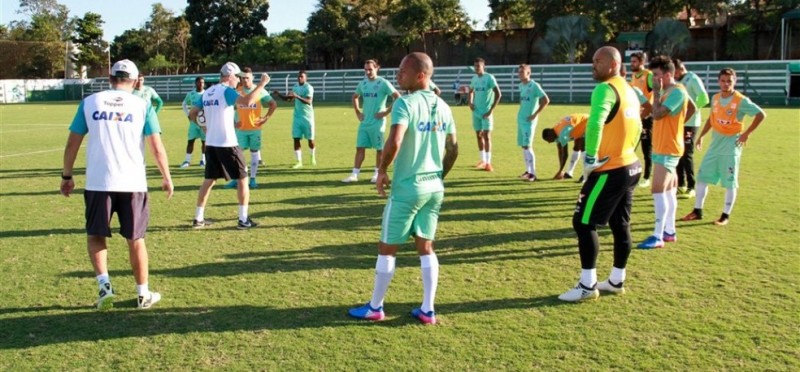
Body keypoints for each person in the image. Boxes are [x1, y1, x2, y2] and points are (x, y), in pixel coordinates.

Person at [348, 52, 458, 324]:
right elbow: (453, 149)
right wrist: (438, 175)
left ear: (420, 75)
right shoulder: (445, 107)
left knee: (386, 248)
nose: (398, 76)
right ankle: (428, 309)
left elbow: (394, 141)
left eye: (403, 71)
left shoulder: (405, 103)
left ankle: (375, 307)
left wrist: (382, 170)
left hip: (408, 188)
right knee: (426, 246)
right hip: (434, 188)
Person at [60, 59, 174, 310]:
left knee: (96, 235)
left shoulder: (90, 102)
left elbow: (72, 143)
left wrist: (67, 176)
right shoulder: (142, 104)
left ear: (110, 79)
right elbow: (156, 146)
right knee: (136, 239)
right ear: (134, 81)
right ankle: (142, 294)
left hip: (98, 182)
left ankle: (105, 287)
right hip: (133, 182)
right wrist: (166, 177)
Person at [558, 46, 642, 302]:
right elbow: (638, 126)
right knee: (620, 224)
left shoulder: (605, 89)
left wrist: (591, 158)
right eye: (593, 61)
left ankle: (587, 286)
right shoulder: (629, 90)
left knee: (583, 222)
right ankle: (616, 280)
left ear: (613, 64)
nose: (592, 65)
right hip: (630, 166)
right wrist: (628, 151)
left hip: (610, 169)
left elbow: (595, 123)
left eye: (597, 61)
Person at [188, 62, 270, 229]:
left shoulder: (208, 92)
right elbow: (247, 101)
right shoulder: (227, 91)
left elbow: (192, 113)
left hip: (211, 143)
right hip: (227, 143)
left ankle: (198, 218)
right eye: (237, 77)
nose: (239, 81)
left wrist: (202, 126)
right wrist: (262, 84)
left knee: (209, 180)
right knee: (243, 178)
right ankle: (243, 219)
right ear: (230, 76)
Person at [680, 68, 766, 226]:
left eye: (729, 81)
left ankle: (725, 216)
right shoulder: (715, 98)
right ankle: (697, 211)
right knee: (702, 178)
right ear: (718, 82)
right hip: (714, 146)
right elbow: (711, 119)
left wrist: (746, 134)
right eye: (723, 81)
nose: (726, 84)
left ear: (735, 82)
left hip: (731, 147)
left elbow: (761, 115)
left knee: (730, 182)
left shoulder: (741, 100)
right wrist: (701, 136)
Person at [637, 56, 695, 249]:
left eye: (656, 75)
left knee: (657, 190)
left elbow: (657, 114)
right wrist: (676, 124)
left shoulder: (677, 92)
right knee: (669, 191)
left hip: (668, 148)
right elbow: (692, 107)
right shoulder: (670, 91)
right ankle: (669, 231)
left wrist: (655, 92)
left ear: (668, 74)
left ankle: (657, 236)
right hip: (664, 146)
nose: (653, 78)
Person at [341, 59, 401, 183]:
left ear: (377, 68)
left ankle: (377, 174)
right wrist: (358, 112)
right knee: (359, 148)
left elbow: (397, 97)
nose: (368, 72)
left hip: (378, 123)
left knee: (379, 149)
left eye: (370, 69)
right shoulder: (363, 83)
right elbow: (355, 96)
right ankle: (354, 175)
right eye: (366, 70)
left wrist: (386, 112)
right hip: (364, 123)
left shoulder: (383, 83)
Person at [223, 67, 276, 189]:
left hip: (255, 129)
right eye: (243, 78)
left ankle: (252, 179)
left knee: (254, 153)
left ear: (252, 77)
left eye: (247, 78)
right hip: (240, 130)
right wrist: (233, 122)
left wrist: (265, 118)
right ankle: (236, 179)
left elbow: (273, 104)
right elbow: (228, 107)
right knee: (237, 155)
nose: (245, 80)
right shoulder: (237, 91)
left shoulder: (260, 90)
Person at [673, 59, 710, 199]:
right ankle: (681, 184)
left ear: (680, 69)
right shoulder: (677, 81)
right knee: (678, 152)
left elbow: (704, 98)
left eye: (675, 72)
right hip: (679, 122)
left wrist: (693, 110)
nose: (673, 75)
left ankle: (691, 186)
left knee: (687, 154)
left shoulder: (692, 78)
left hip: (691, 123)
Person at [516, 64, 549, 181]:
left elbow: (546, 100)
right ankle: (528, 171)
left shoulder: (534, 85)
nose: (520, 74)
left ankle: (533, 174)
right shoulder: (521, 86)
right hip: (521, 119)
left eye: (522, 72)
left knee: (528, 146)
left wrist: (535, 114)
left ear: (528, 73)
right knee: (523, 146)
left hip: (529, 121)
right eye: (519, 72)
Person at [469, 58, 501, 171]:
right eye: (475, 66)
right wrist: (470, 102)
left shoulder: (489, 78)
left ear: (483, 66)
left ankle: (488, 163)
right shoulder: (474, 79)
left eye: (478, 66)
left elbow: (498, 94)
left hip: (486, 112)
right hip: (476, 112)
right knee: (478, 135)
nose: (476, 68)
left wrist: (491, 110)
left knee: (487, 136)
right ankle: (482, 160)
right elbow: (471, 91)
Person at [282, 70, 316, 168]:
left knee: (310, 140)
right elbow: (289, 99)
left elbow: (309, 101)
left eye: (301, 76)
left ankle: (312, 156)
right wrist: (279, 94)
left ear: (306, 78)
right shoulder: (295, 86)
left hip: (307, 118)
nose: (299, 78)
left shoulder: (308, 87)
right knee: (296, 138)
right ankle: (299, 161)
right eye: (298, 76)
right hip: (297, 117)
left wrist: (297, 96)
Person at [629, 52, 654, 187]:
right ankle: (630, 172)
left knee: (646, 148)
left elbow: (657, 91)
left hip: (647, 117)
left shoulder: (648, 75)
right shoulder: (633, 76)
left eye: (634, 61)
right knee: (630, 146)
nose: (632, 64)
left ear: (641, 62)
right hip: (635, 117)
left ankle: (647, 177)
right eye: (631, 61)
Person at [541, 113, 588, 180]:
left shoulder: (562, 134)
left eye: (548, 140)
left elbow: (565, 154)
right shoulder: (555, 131)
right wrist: (561, 170)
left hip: (587, 122)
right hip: (578, 125)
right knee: (576, 147)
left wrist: (560, 170)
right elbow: (560, 151)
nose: (549, 142)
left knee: (582, 147)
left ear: (550, 135)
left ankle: (586, 174)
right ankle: (569, 173)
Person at [180, 76, 207, 168]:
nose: (201, 84)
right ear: (196, 83)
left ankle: (203, 160)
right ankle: (187, 161)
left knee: (204, 142)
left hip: (204, 123)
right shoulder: (191, 94)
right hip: (194, 123)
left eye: (202, 82)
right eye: (199, 82)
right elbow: (184, 104)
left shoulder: (207, 94)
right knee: (190, 141)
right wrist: (188, 115)